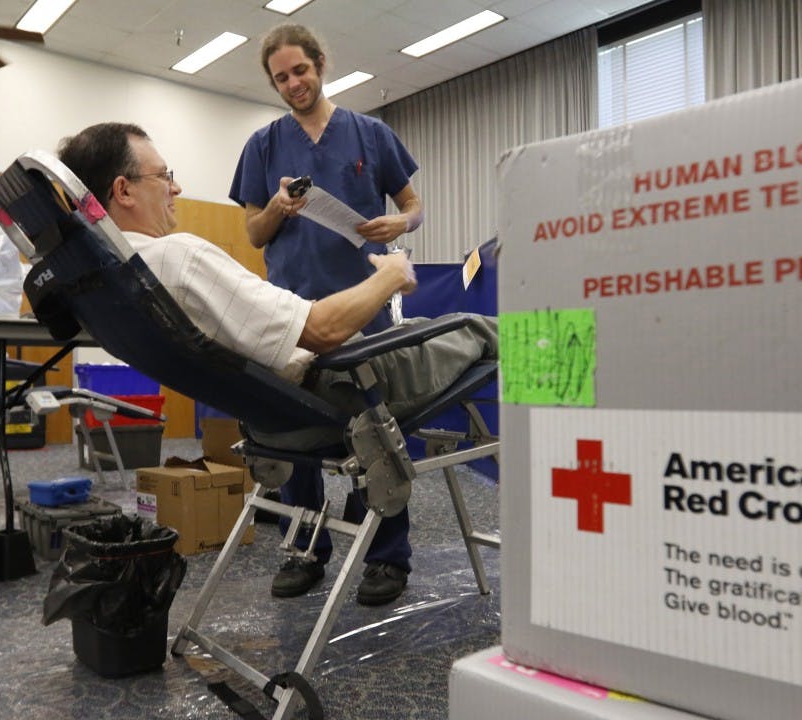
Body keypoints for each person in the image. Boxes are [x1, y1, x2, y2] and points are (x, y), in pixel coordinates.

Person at [56, 122, 497, 606]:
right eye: (165, 175)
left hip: (271, 420)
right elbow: (323, 332)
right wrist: (391, 275)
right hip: (339, 389)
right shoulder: (176, 257)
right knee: (473, 327)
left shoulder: (105, 283)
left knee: (435, 330)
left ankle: (351, 551)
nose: (176, 186)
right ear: (123, 190)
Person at [228, 24, 424, 605]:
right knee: (294, 430)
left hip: (363, 305)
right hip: (291, 308)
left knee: (379, 431)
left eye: (300, 71)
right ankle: (305, 546)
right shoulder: (263, 146)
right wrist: (281, 209)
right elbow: (255, 233)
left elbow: (412, 206)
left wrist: (401, 223)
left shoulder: (370, 134)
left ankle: (388, 557)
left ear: (320, 64)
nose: (293, 84)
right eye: (281, 78)